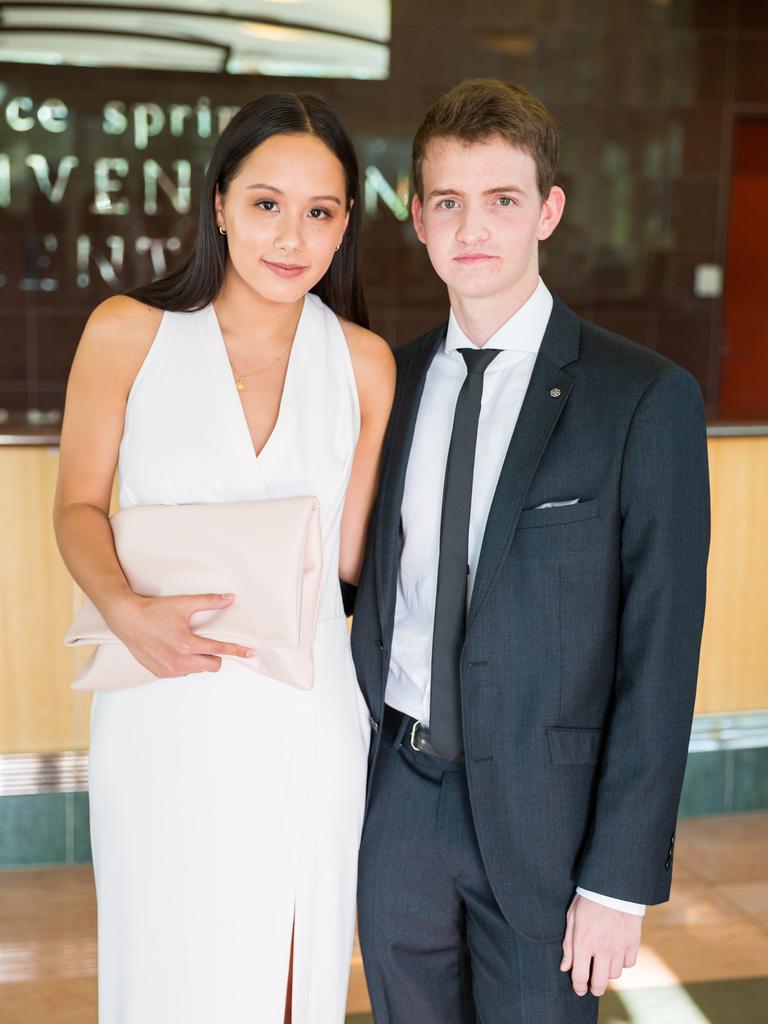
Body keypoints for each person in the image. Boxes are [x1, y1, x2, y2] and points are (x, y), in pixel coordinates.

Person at [351, 78, 710, 1023]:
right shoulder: (387, 382)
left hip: (549, 833)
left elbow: (660, 651)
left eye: (503, 200)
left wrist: (619, 880)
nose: (475, 228)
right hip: (401, 805)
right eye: (449, 202)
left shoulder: (641, 398)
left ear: (547, 211)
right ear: (418, 219)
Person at [54, 92, 394, 1024]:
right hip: (161, 701)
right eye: (266, 203)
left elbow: (351, 569)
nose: (292, 236)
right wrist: (125, 611)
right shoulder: (128, 331)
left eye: (319, 212)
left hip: (306, 709)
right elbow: (78, 507)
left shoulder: (364, 362)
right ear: (218, 204)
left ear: (344, 227)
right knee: (167, 961)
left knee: (292, 970)